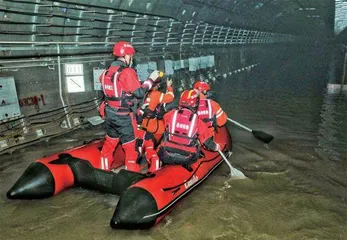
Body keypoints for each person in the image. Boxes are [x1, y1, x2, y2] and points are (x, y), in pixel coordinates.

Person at [99, 41, 160, 172]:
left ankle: (102, 172)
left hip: (109, 115)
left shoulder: (106, 72)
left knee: (109, 146)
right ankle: (131, 178)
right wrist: (151, 80)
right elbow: (139, 93)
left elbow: (115, 90)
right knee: (131, 150)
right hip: (124, 117)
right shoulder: (127, 72)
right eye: (131, 56)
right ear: (127, 56)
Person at [157, 89, 223, 171]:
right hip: (188, 158)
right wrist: (217, 147)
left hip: (165, 155)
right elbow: (207, 142)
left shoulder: (169, 115)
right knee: (197, 142)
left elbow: (163, 121)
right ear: (195, 104)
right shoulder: (198, 121)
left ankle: (158, 165)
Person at [137, 76, 174, 173]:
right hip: (155, 127)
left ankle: (141, 156)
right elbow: (170, 97)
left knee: (144, 142)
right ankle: (156, 162)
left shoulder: (142, 95)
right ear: (156, 85)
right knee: (153, 145)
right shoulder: (156, 94)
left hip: (143, 125)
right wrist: (169, 87)